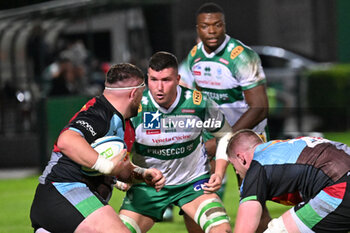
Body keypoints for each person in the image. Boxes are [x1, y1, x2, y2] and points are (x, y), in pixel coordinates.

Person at [30, 63, 165, 233]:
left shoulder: (122, 123)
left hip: (58, 202)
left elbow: (118, 169)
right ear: (133, 93)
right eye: (142, 92)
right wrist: (106, 166)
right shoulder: (100, 113)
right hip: (64, 191)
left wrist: (143, 174)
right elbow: (67, 140)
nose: (143, 98)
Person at [119, 51, 233, 233]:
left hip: (192, 185)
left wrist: (219, 172)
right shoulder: (134, 107)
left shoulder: (198, 103)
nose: (159, 87)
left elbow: (225, 135)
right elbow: (117, 148)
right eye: (154, 80)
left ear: (178, 78)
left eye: (166, 80)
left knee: (221, 230)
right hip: (148, 186)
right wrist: (124, 174)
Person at [183, 2, 269, 181]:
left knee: (250, 195)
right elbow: (200, 95)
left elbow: (260, 108)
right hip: (215, 129)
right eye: (205, 26)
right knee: (199, 185)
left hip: (247, 131)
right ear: (198, 29)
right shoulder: (194, 55)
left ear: (224, 26)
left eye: (217, 25)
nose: (212, 31)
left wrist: (225, 139)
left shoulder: (243, 57)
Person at [226, 129, 350, 233]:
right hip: (340, 180)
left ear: (241, 158)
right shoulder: (284, 145)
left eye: (233, 165)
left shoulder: (257, 167)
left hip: (339, 188)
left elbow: (244, 229)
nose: (236, 172)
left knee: (278, 230)